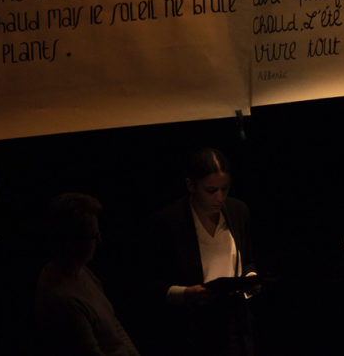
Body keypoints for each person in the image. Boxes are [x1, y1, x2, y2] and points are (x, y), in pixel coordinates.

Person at [148, 148, 257, 356]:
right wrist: (186, 293)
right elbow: (150, 283)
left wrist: (250, 278)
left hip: (236, 321)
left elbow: (248, 260)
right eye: (211, 190)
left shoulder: (237, 211)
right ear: (191, 185)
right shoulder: (169, 222)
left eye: (225, 189)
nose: (220, 197)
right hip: (192, 327)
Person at [34, 192, 141, 356]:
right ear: (72, 241)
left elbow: (114, 324)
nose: (99, 241)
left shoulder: (82, 272)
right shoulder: (64, 301)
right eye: (93, 236)